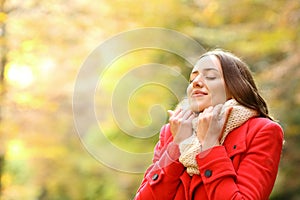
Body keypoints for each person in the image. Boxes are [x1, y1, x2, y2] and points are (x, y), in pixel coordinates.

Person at [134, 49, 284, 200]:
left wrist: (210, 145)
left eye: (210, 76)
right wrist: (177, 144)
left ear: (236, 87)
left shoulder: (262, 131)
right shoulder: (172, 131)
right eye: (192, 80)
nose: (196, 83)